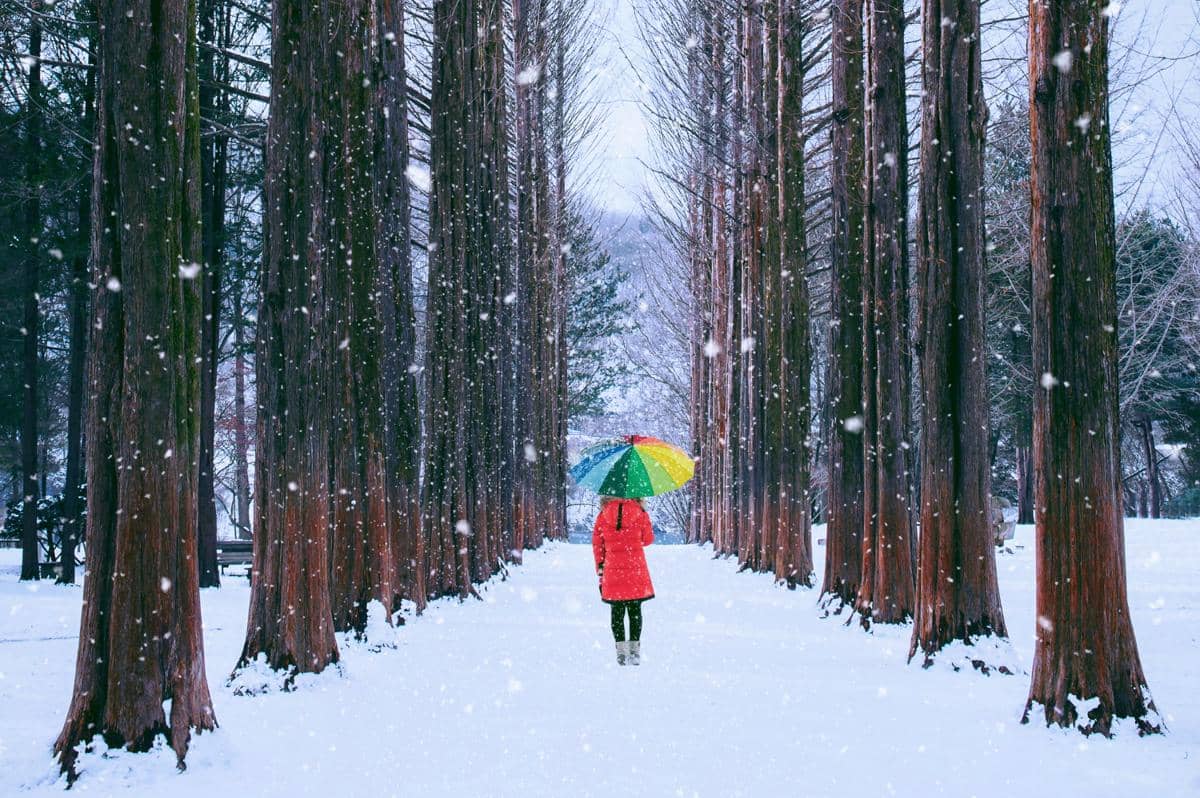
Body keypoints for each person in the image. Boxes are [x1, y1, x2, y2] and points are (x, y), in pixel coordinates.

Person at [591, 495, 655, 666]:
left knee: (616, 612)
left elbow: (598, 545)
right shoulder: (639, 512)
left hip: (613, 570)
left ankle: (621, 652)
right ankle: (634, 652)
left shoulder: (603, 515)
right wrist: (643, 514)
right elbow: (647, 540)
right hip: (635, 568)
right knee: (635, 611)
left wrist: (600, 567)